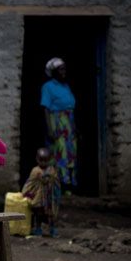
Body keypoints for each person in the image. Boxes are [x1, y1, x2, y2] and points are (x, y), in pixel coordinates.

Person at [41, 57, 77, 195]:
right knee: (59, 154)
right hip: (57, 124)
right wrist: (49, 130)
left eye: (64, 69)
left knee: (71, 154)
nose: (64, 72)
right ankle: (58, 186)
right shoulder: (48, 87)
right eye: (60, 69)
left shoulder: (66, 86)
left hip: (69, 125)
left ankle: (70, 186)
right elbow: (45, 108)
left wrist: (75, 127)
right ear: (53, 72)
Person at [22, 148, 61, 237]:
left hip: (49, 197)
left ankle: (52, 229)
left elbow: (56, 182)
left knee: (51, 214)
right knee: (38, 213)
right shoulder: (35, 170)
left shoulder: (52, 170)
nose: (43, 163)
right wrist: (27, 192)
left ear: (49, 160)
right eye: (41, 160)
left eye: (45, 161)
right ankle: (38, 228)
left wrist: (50, 180)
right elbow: (30, 182)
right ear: (37, 159)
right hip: (38, 197)